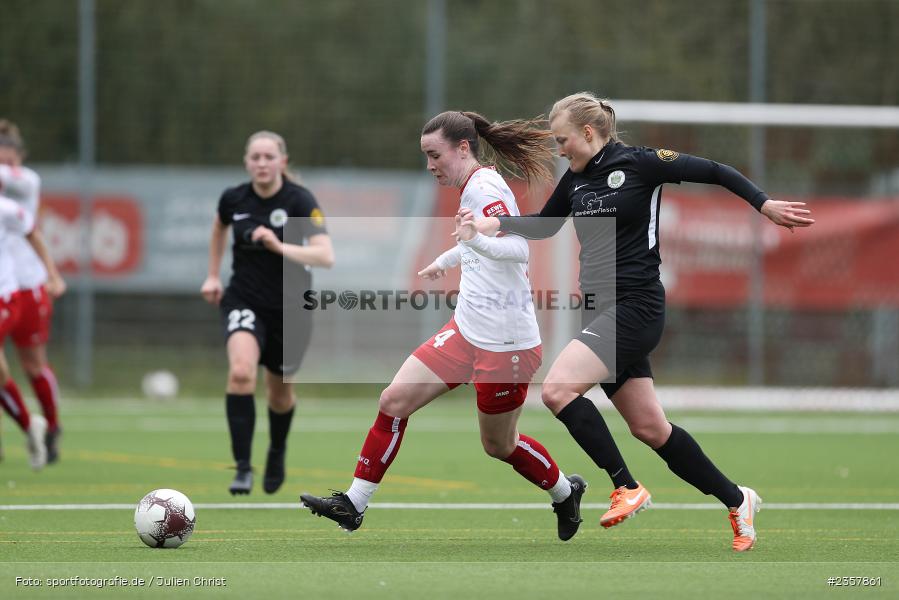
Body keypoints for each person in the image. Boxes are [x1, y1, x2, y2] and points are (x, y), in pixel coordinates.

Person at [467, 92, 814, 552]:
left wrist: (763, 203)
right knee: (651, 429)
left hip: (636, 306)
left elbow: (713, 170)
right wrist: (498, 225)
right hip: (599, 309)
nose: (559, 149)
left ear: (588, 133)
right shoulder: (574, 181)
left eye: (563, 139)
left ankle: (626, 486)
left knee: (556, 390)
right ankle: (738, 499)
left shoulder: (641, 163)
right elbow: (547, 226)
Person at [300, 111, 587, 542]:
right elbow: (476, 243)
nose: (431, 165)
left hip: (505, 343)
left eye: (435, 155)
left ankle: (566, 492)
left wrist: (472, 242)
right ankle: (354, 503)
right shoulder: (471, 186)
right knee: (394, 400)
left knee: (499, 446)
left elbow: (518, 251)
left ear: (463, 148)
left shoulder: (486, 186)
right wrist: (449, 258)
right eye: (426, 157)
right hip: (467, 330)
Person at [201, 131, 334, 495]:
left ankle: (277, 451)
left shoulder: (298, 200)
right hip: (244, 299)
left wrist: (278, 245)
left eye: (268, 157)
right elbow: (218, 227)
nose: (261, 163)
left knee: (279, 395)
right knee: (241, 372)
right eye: (255, 157)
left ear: (282, 162)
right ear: (246, 162)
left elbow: (325, 256)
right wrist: (213, 275)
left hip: (291, 309)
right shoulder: (234, 199)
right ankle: (243, 467)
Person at [0, 119, 67, 467]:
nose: (7, 166)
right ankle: (28, 426)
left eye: (11, 160)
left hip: (29, 287)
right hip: (7, 286)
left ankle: (52, 426)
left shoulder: (26, 182)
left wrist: (53, 275)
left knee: (33, 365)